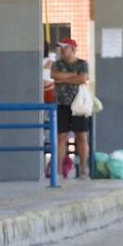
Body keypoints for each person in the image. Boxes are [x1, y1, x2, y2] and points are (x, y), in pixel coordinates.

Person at [52, 38, 91, 179]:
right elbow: (54, 76)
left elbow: (83, 78)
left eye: (64, 48)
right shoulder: (56, 64)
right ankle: (58, 170)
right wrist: (73, 76)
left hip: (79, 105)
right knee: (61, 137)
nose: (61, 51)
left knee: (81, 136)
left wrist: (63, 79)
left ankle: (83, 169)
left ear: (73, 49)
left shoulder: (82, 64)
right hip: (62, 104)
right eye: (60, 48)